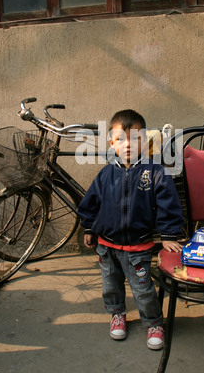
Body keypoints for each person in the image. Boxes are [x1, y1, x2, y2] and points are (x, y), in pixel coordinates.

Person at [77, 109, 183, 350]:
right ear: (112, 142)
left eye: (135, 138)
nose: (128, 144)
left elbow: (169, 205)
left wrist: (167, 235)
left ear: (145, 141)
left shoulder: (155, 172)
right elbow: (91, 203)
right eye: (120, 139)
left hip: (138, 246)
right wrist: (89, 229)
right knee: (111, 286)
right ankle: (118, 315)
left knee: (143, 289)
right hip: (107, 246)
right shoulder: (105, 175)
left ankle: (153, 322)